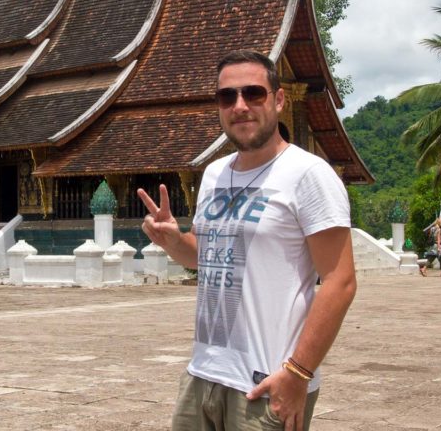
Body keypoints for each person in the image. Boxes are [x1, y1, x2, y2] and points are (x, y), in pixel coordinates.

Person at [137, 50, 357, 431]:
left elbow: (341, 281)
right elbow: (205, 257)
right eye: (227, 96)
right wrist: (174, 241)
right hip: (203, 374)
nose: (240, 106)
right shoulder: (214, 174)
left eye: (253, 93)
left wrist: (297, 373)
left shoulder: (308, 174)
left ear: (279, 99)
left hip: (266, 382)